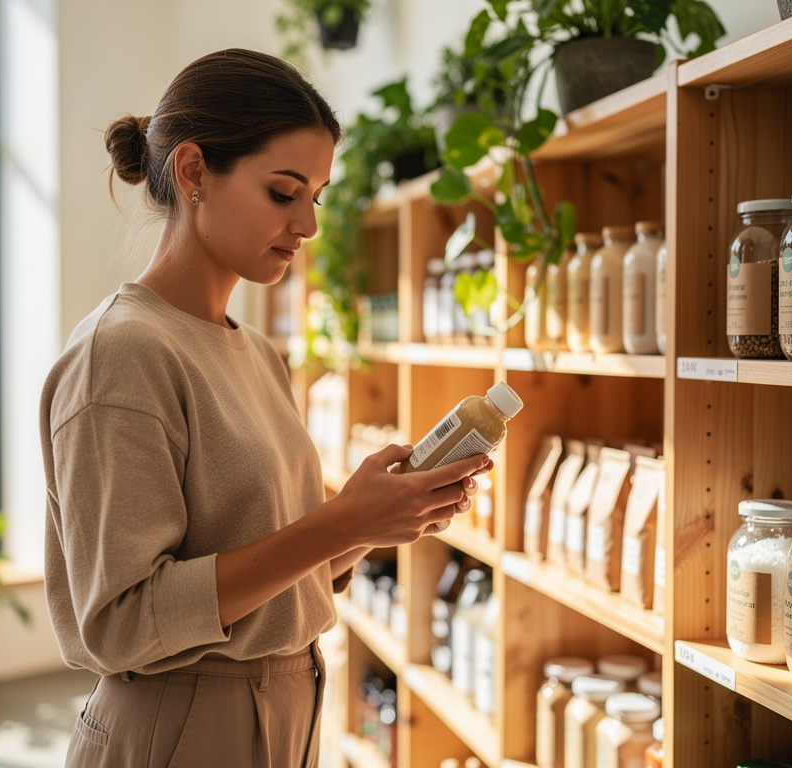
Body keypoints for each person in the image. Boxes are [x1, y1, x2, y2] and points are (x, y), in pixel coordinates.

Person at [39, 48, 491, 768]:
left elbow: (268, 561)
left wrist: (374, 525)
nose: (308, 225)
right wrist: (342, 520)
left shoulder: (256, 352)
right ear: (192, 172)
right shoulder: (122, 354)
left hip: (287, 710)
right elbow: (121, 620)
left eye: (316, 195)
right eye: (284, 193)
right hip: (181, 724)